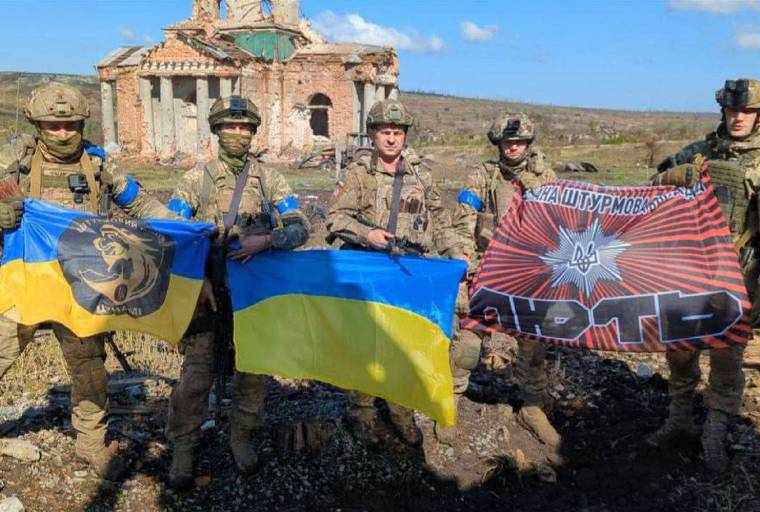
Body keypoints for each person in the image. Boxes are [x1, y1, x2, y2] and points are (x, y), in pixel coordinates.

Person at [0, 81, 173, 480]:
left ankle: (91, 444)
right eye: (53, 126)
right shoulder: (17, 160)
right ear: (37, 124)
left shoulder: (98, 164)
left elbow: (141, 203)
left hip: (82, 286)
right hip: (27, 282)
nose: (63, 133)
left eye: (71, 125)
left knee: (90, 370)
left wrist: (184, 227)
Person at [164, 95, 310, 489]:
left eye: (245, 127)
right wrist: (198, 282)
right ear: (216, 130)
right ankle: (183, 449)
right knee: (196, 379)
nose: (238, 134)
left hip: (254, 296)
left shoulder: (269, 179)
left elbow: (300, 227)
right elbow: (172, 237)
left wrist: (267, 241)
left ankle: (241, 437)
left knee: (252, 373)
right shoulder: (196, 179)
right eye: (230, 126)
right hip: (206, 293)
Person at [326, 99, 462, 447]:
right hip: (370, 272)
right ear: (372, 134)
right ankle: (363, 411)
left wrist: (454, 254)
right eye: (385, 132)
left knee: (405, 342)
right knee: (368, 344)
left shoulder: (420, 173)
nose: (391, 139)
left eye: (397, 133)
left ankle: (400, 408)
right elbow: (335, 219)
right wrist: (366, 235)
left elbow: (441, 221)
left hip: (408, 272)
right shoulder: (358, 173)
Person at [650, 78, 760, 471]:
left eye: (747, 112)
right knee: (680, 352)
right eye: (733, 111)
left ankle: (715, 431)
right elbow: (651, 191)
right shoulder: (700, 153)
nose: (738, 118)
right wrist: (674, 176)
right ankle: (680, 419)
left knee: (726, 359)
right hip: (688, 273)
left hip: (736, 279)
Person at [448, 113, 560, 446]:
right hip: (487, 267)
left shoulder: (546, 177)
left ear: (529, 144)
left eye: (520, 142)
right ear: (498, 144)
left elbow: (561, 224)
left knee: (534, 342)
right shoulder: (482, 176)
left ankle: (532, 406)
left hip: (529, 270)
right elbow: (462, 222)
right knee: (468, 338)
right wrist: (462, 255)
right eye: (508, 142)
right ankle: (450, 399)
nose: (514, 148)